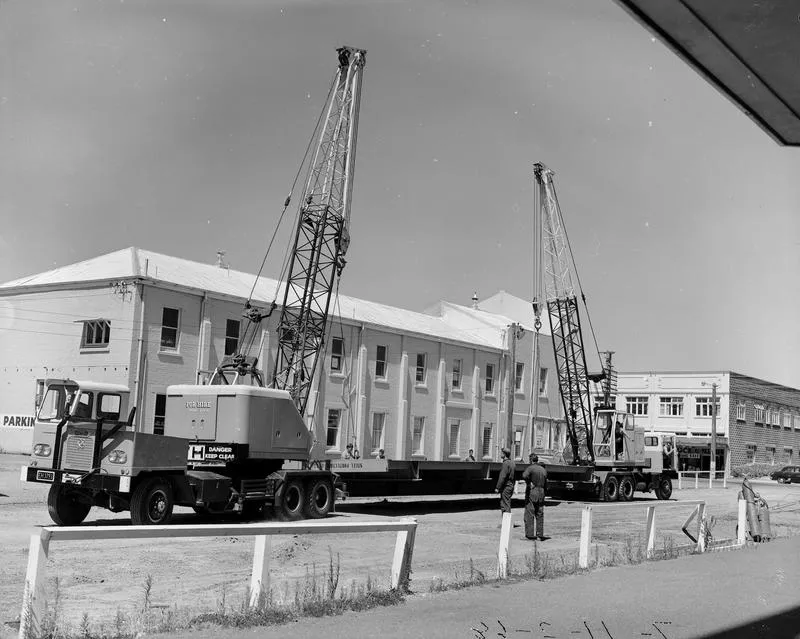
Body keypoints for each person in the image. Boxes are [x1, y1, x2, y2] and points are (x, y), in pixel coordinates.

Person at [522, 453, 548, 541]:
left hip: (533, 492)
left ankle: (530, 534)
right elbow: (546, 483)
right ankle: (540, 534)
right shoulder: (543, 470)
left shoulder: (531, 468)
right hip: (541, 492)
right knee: (540, 513)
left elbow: (524, 475)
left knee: (530, 512)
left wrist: (529, 483)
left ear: (531, 460)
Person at [495, 447, 516, 515]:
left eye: (501, 453)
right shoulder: (512, 463)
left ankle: (507, 524)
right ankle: (506, 523)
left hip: (506, 487)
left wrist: (497, 487)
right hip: (511, 485)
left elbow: (502, 476)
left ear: (504, 454)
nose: (500, 454)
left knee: (505, 505)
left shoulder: (505, 463)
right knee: (507, 503)